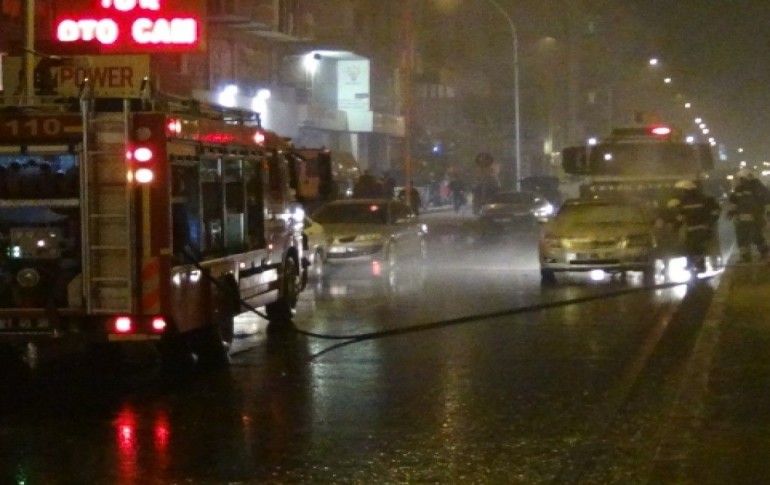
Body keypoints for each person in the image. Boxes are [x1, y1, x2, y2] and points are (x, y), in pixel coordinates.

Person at [666, 179, 721, 272]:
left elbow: (681, 217)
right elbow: (715, 211)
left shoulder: (684, 202)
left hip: (692, 229)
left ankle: (694, 265)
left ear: (685, 190)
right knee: (699, 247)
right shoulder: (704, 198)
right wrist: (710, 222)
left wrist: (675, 226)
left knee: (692, 247)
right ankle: (700, 265)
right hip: (703, 228)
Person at [727, 168, 770, 262]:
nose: (740, 181)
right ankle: (745, 256)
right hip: (742, 219)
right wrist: (731, 212)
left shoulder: (756, 188)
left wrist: (766, 213)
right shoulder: (739, 190)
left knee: (756, 236)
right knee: (742, 238)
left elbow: (765, 200)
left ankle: (764, 252)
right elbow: (734, 202)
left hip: (754, 218)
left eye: (741, 179)